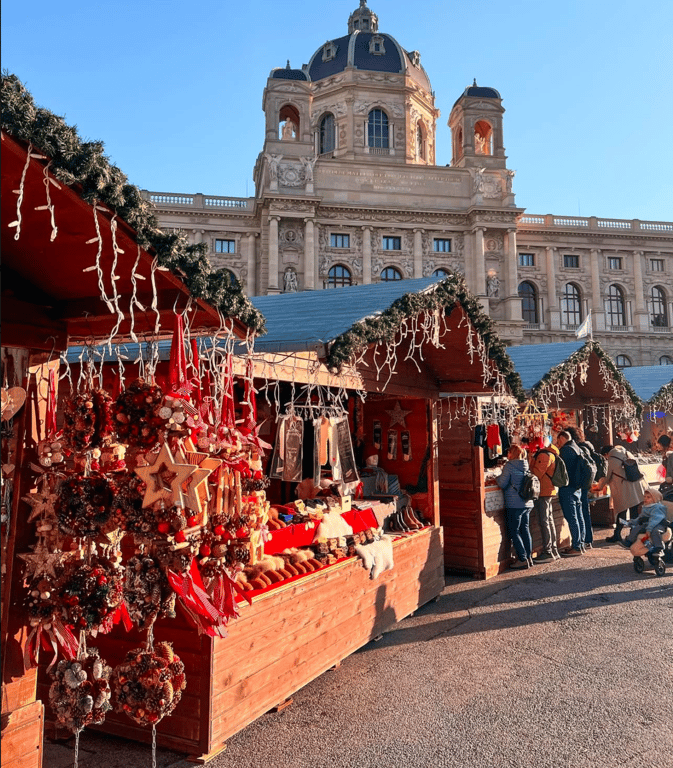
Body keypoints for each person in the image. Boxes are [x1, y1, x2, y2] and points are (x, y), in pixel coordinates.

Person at [595, 444, 649, 543]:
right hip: (636, 487)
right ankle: (634, 534)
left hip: (624, 490)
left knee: (621, 513)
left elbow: (608, 477)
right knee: (634, 514)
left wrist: (599, 486)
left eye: (605, 457)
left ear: (607, 454)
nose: (606, 459)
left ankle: (617, 534)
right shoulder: (626, 453)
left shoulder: (612, 458)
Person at [496, 444, 534, 569]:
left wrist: (497, 478)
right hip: (527, 503)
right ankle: (528, 557)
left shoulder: (509, 466)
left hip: (514, 504)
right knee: (525, 530)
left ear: (511, 454)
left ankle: (522, 558)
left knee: (514, 531)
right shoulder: (525, 465)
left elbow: (502, 483)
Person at [555, 430, 585, 556]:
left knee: (572, 518)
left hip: (568, 488)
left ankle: (577, 547)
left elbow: (560, 470)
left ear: (562, 438)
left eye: (558, 440)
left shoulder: (566, 450)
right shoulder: (577, 448)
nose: (557, 443)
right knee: (579, 516)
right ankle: (581, 544)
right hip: (577, 487)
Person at [565, 426, 596, 548]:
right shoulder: (586, 447)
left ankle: (585, 539)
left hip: (578, 484)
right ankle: (587, 539)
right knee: (584, 511)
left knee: (581, 512)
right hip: (584, 483)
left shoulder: (576, 449)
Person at [530, 443, 561, 561]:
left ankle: (548, 552)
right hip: (548, 490)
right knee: (549, 520)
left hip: (543, 491)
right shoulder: (552, 454)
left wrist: (531, 462)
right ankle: (553, 550)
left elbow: (537, 473)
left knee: (544, 521)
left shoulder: (544, 456)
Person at [621, 488, 669, 553]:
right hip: (647, 524)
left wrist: (649, 529)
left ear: (655, 499)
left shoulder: (657, 507)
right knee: (637, 528)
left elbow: (655, 519)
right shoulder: (646, 507)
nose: (645, 498)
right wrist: (633, 522)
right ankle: (629, 541)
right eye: (644, 497)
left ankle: (659, 547)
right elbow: (641, 517)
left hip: (658, 524)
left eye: (648, 497)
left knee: (655, 532)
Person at [657, 434, 673, 500]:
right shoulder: (667, 453)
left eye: (659, 445)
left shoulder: (669, 454)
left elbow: (669, 470)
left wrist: (668, 479)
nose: (658, 447)